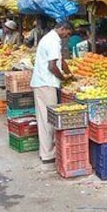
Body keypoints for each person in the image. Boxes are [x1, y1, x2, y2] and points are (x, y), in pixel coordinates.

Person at [31, 21, 74, 164]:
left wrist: (70, 74)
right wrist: (63, 78)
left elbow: (60, 61)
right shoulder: (53, 41)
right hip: (46, 84)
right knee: (48, 119)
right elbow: (52, 66)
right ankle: (48, 154)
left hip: (43, 83)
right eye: (67, 34)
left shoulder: (51, 38)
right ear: (62, 29)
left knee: (46, 118)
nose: (67, 37)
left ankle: (48, 152)